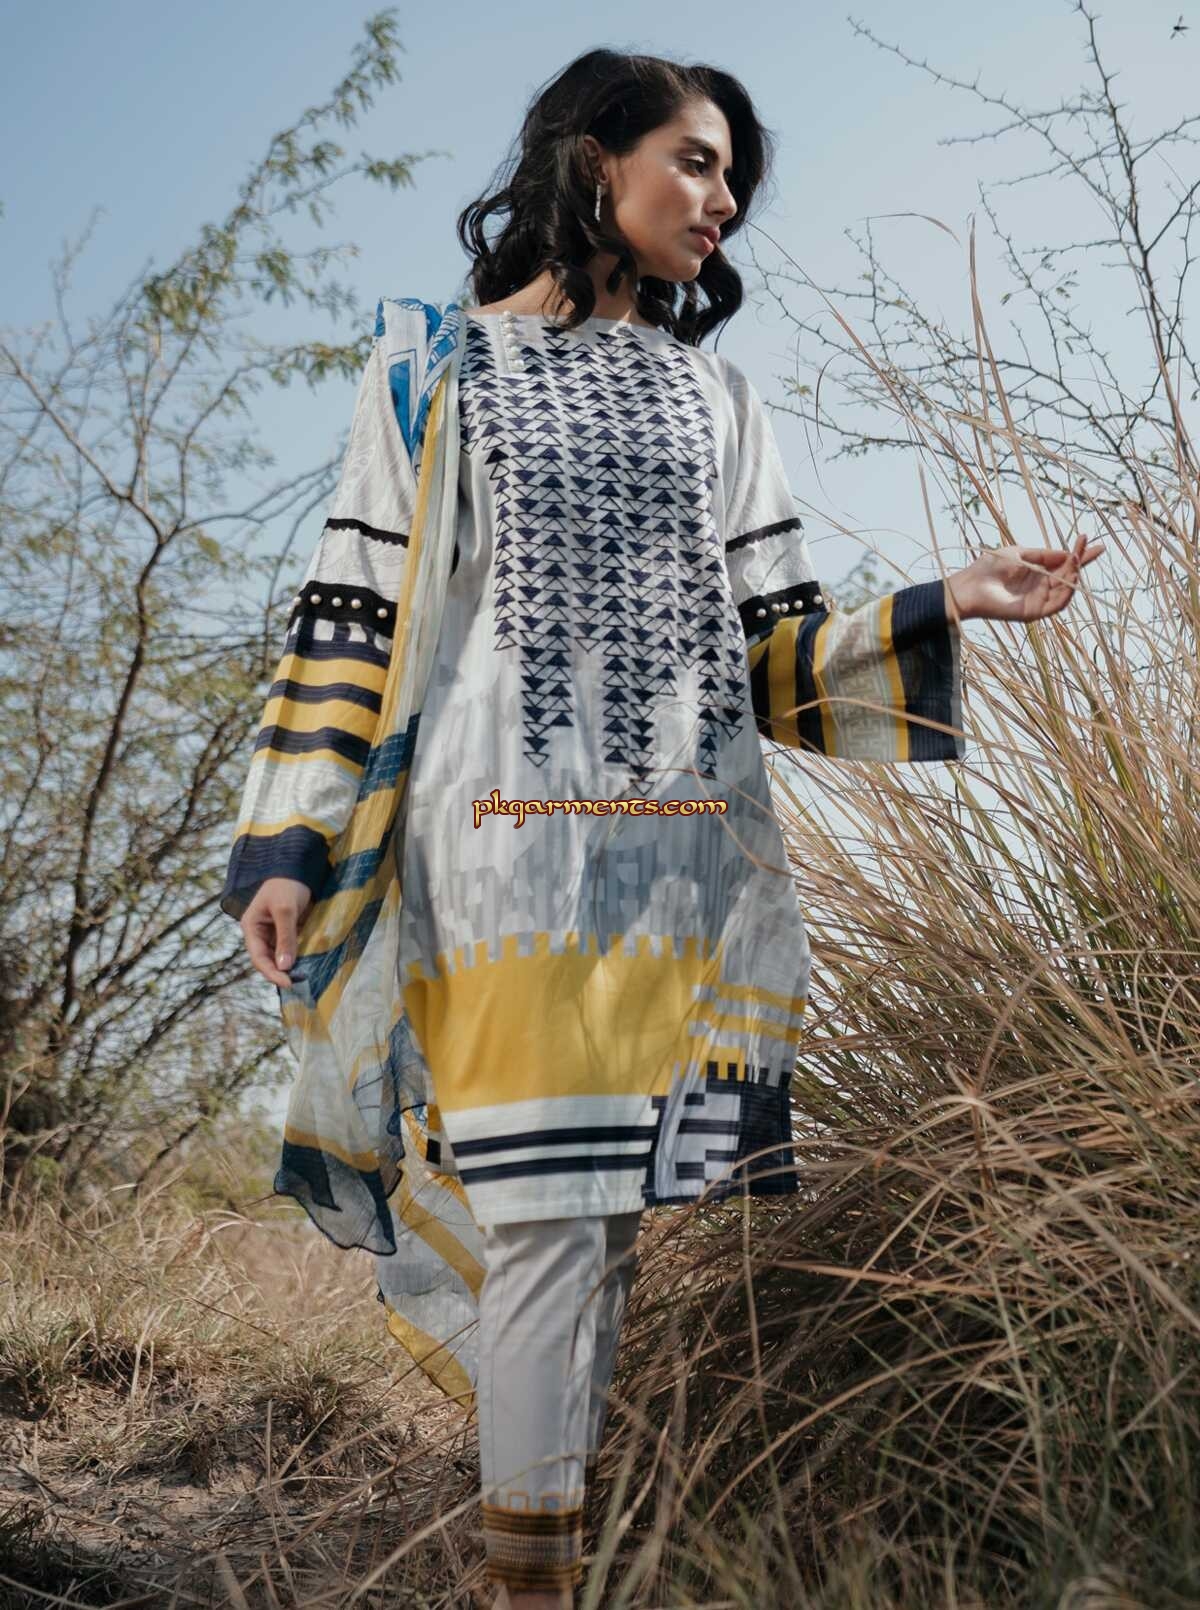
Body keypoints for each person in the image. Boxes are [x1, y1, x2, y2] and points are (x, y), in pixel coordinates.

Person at [221, 48, 1103, 1609]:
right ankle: (530, 1587)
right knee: (550, 1231)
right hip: (499, 866)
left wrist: (948, 599)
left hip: (683, 874)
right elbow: (351, 611)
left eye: (735, 175)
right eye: (695, 160)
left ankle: (544, 1563)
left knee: (608, 1235)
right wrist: (290, 842)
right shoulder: (434, 368)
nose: (725, 199)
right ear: (594, 160)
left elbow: (773, 655)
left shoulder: (717, 396)